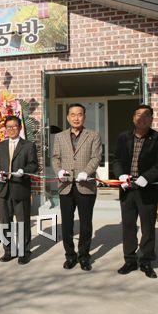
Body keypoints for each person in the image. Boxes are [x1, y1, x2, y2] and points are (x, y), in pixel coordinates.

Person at [113, 104, 158, 278]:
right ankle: (129, 260)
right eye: (138, 114)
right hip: (127, 189)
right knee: (129, 226)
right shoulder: (123, 137)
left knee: (147, 228)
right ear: (133, 118)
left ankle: (146, 261)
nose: (141, 118)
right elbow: (116, 159)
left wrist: (148, 176)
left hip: (147, 190)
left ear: (151, 119)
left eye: (146, 115)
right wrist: (120, 175)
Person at [52, 103, 102, 271]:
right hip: (65, 186)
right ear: (68, 117)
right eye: (72, 114)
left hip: (85, 185)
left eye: (79, 114)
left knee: (86, 223)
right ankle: (70, 256)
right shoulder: (59, 137)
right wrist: (58, 171)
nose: (76, 117)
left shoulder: (93, 135)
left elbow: (96, 157)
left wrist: (86, 172)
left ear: (84, 117)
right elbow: (55, 158)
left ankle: (84, 256)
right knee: (66, 224)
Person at [0, 115, 38, 265]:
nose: (11, 129)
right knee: (5, 222)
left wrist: (23, 171)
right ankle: (9, 251)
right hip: (4, 189)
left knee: (22, 222)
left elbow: (33, 166)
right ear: (5, 129)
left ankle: (24, 251)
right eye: (8, 127)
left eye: (14, 126)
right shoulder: (0, 146)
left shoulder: (28, 146)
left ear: (19, 128)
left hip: (21, 188)